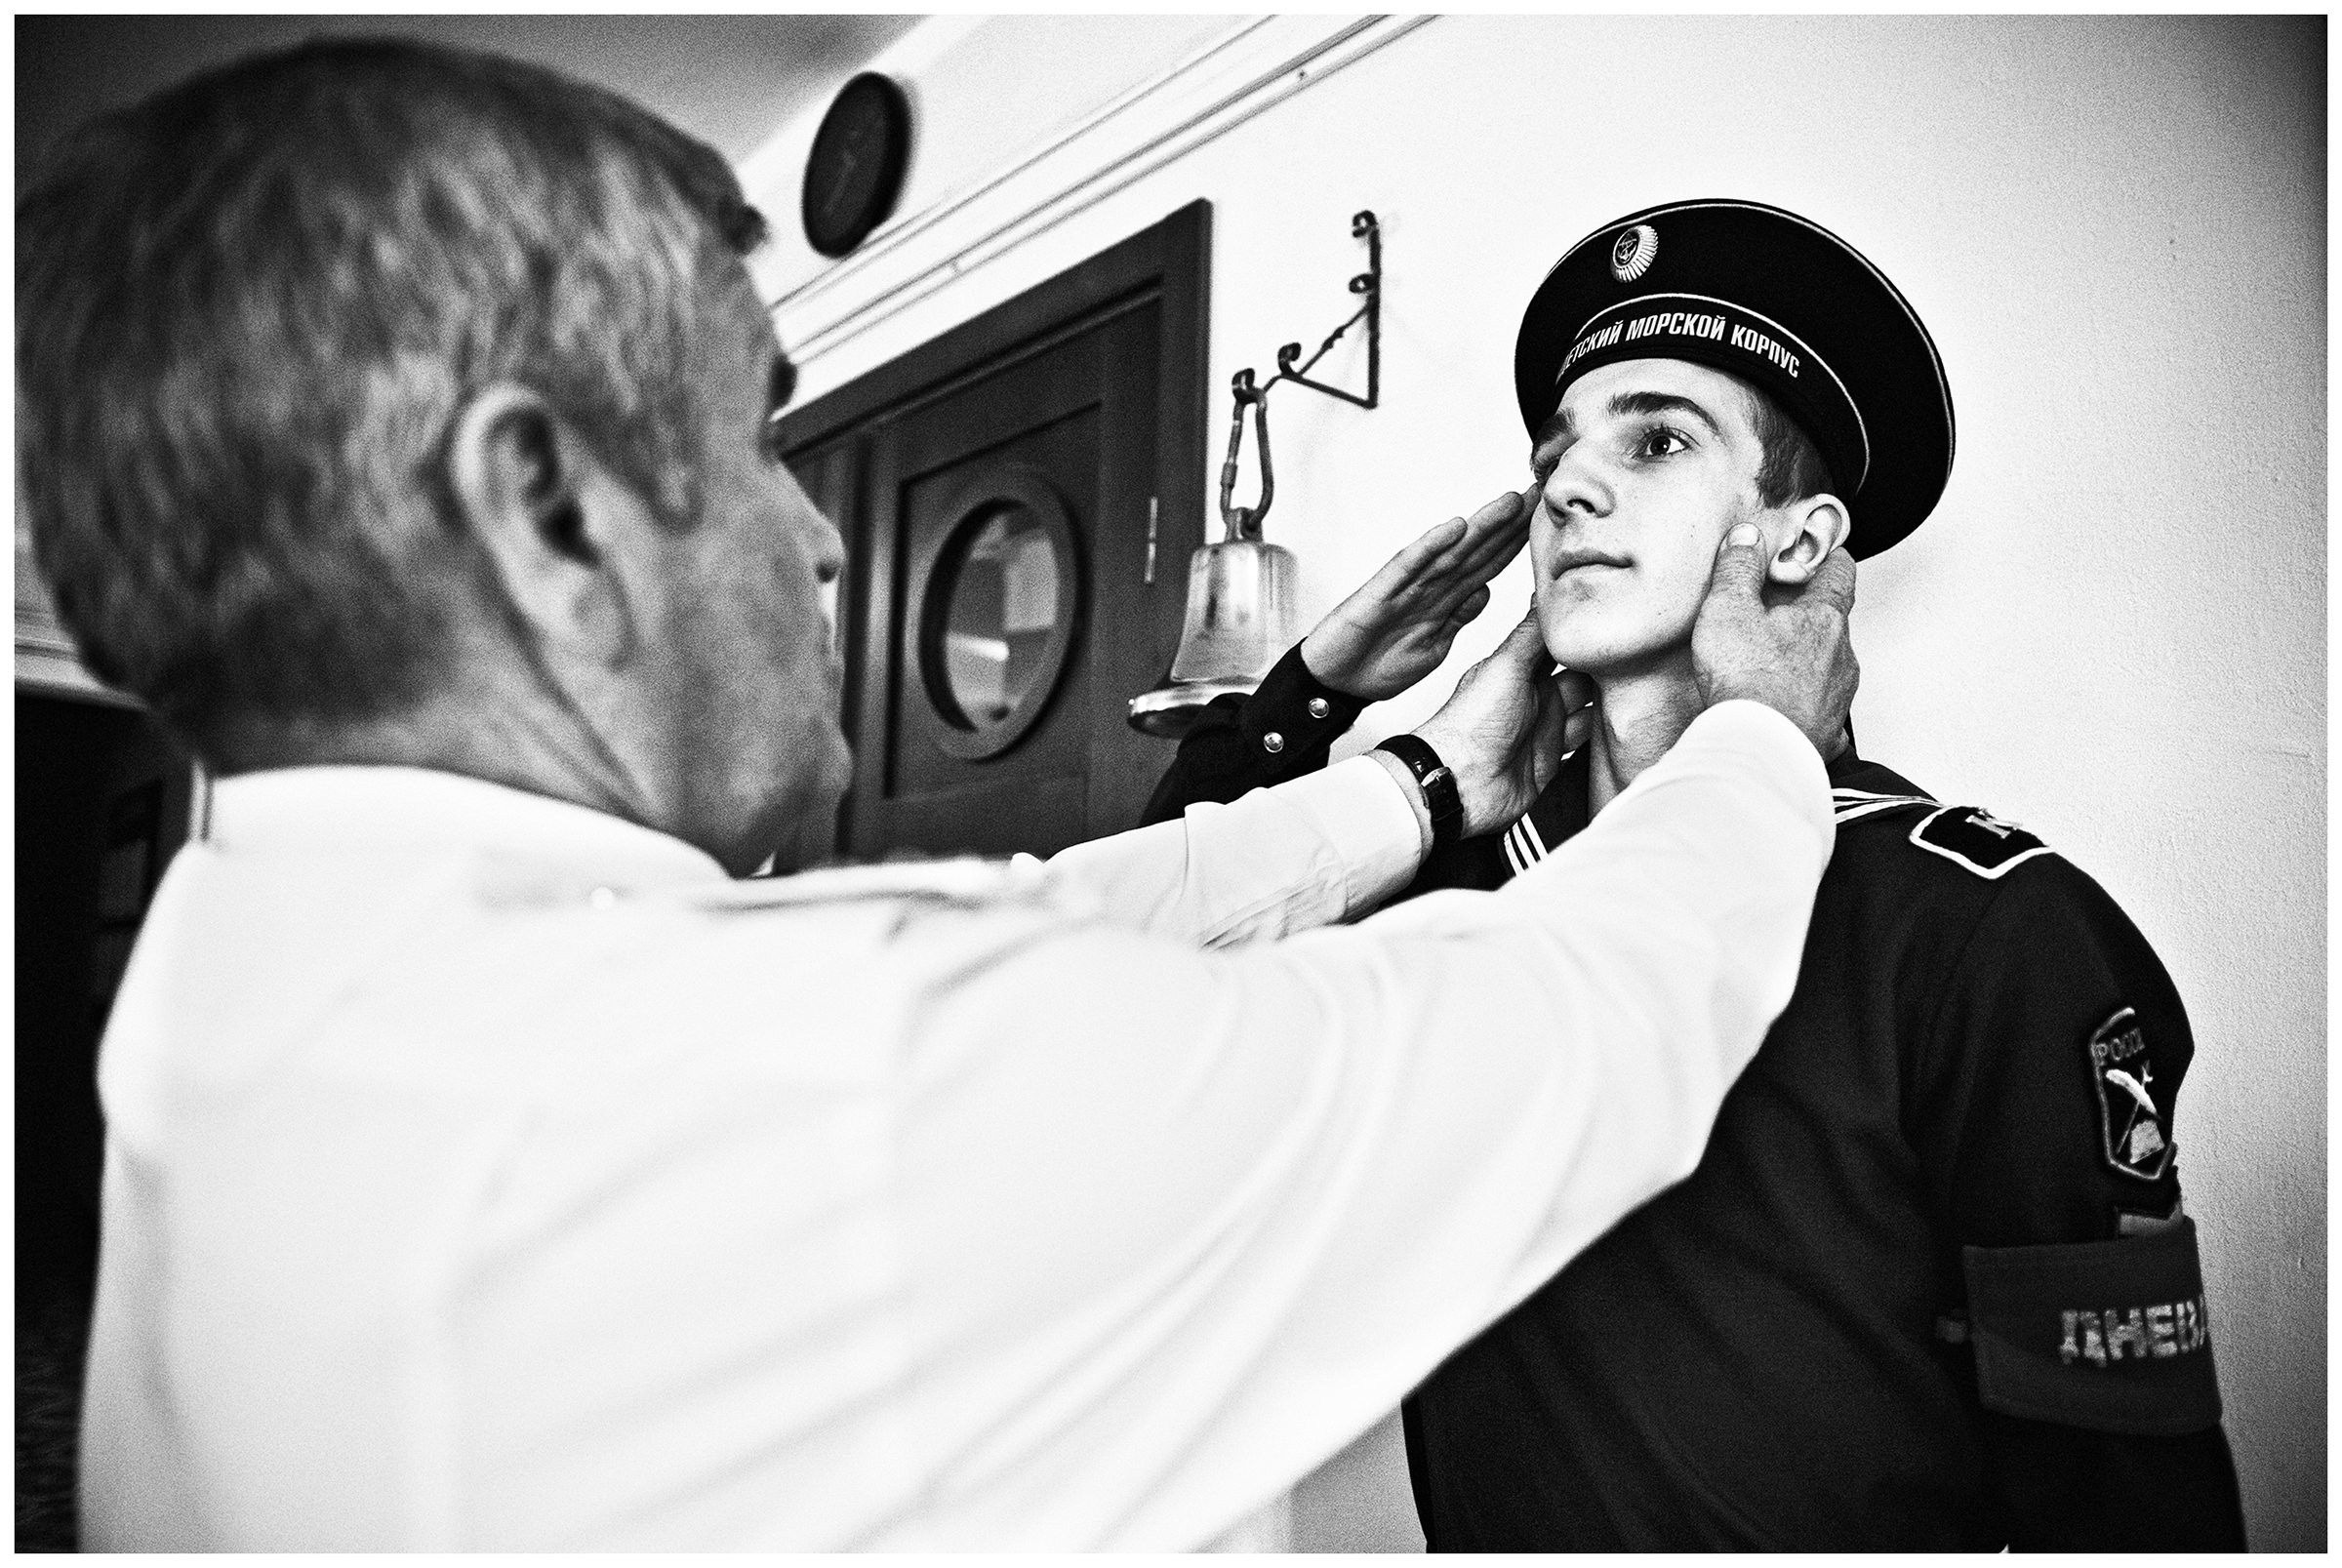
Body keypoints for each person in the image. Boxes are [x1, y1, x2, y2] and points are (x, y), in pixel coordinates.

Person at [16, 45, 1866, 1550]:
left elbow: (1029, 930)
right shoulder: (815, 1105)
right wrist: (1765, 733)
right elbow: (1567, 1026)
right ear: (552, 518)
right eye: (754, 437)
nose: (821, 542)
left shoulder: (243, 964)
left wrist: (1405, 780)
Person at [1146, 199, 2246, 1550]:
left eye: (1656, 439)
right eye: (1554, 456)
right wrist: (1306, 696)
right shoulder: (1450, 890)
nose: (1565, 489)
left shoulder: (1981, 929)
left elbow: (2128, 1505)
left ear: (1797, 539)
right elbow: (1128, 997)